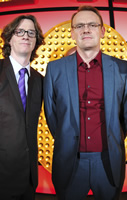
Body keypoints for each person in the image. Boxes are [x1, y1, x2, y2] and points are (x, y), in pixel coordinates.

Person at [44, 5, 127, 200]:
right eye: (79, 26)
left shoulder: (121, 68)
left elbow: (126, 115)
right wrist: (66, 137)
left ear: (102, 31)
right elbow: (51, 115)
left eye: (92, 24)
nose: (86, 29)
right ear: (72, 33)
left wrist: (113, 138)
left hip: (108, 161)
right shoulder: (54, 69)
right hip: (70, 160)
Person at [0, 15, 44, 200]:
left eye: (31, 32)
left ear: (36, 41)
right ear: (10, 38)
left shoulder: (40, 81)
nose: (26, 36)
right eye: (20, 31)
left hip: (29, 178)